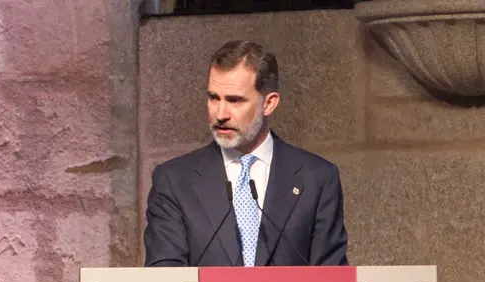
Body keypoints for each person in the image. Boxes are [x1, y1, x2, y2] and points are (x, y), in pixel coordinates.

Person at [143, 40, 348, 267]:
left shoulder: (317, 179)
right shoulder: (174, 181)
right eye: (214, 98)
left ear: (269, 104)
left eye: (235, 100)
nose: (220, 113)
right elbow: (163, 279)